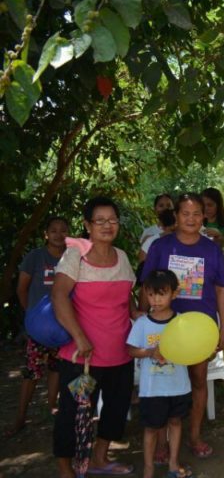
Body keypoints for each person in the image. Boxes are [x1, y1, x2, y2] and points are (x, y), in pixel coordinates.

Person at [52, 197, 137, 477]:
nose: (107, 225)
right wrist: (79, 337)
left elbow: (129, 303)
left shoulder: (123, 257)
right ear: (88, 225)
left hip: (120, 355)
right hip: (82, 358)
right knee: (73, 412)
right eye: (99, 220)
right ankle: (66, 469)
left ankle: (100, 458)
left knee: (116, 409)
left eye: (112, 219)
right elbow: (58, 296)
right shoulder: (76, 256)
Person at [141, 192, 224, 459]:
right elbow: (146, 287)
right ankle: (161, 444)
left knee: (198, 381)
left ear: (204, 217)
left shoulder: (212, 249)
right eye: (185, 213)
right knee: (163, 384)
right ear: (176, 216)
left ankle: (194, 436)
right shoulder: (160, 247)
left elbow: (222, 289)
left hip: (200, 330)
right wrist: (143, 319)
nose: (190, 219)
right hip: (163, 327)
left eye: (196, 214)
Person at [6, 216, 69, 437]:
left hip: (63, 329)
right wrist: (31, 315)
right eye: (53, 230)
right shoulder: (35, 257)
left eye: (63, 230)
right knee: (32, 373)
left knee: (57, 370)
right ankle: (20, 418)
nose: (58, 234)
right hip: (38, 330)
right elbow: (21, 289)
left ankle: (52, 409)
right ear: (46, 234)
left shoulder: (72, 258)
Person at [127, 270, 192, 478]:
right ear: (145, 294)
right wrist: (149, 352)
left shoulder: (181, 322)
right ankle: (149, 469)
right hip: (152, 389)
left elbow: (190, 347)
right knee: (151, 428)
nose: (156, 299)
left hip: (178, 385)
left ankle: (173, 463)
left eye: (161, 293)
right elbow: (130, 349)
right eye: (151, 294)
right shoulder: (142, 323)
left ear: (174, 294)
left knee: (175, 422)